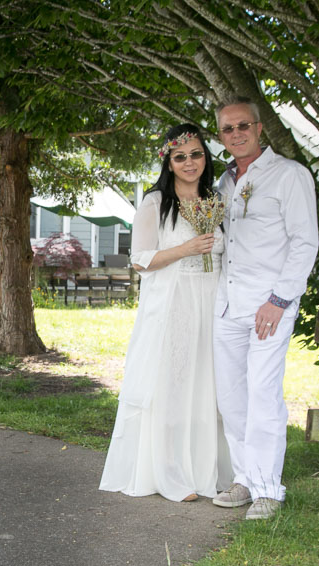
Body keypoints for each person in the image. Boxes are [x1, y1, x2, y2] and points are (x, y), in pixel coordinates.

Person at [100, 124, 233, 502]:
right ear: (169, 163)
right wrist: (187, 248)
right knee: (173, 387)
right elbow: (141, 260)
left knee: (209, 387)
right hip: (173, 303)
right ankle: (171, 474)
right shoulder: (155, 203)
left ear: (205, 157)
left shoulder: (215, 200)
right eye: (180, 156)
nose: (189, 162)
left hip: (212, 302)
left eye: (196, 154)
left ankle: (209, 469)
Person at [211, 97, 319, 520]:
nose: (236, 134)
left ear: (259, 129)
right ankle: (245, 478)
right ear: (220, 136)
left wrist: (278, 300)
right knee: (231, 398)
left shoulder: (289, 175)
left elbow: (305, 242)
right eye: (227, 129)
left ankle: (269, 488)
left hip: (269, 305)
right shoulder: (222, 183)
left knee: (263, 394)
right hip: (227, 305)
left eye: (243, 126)